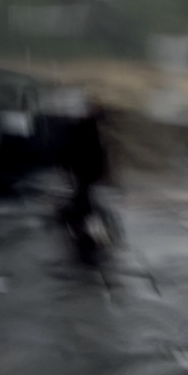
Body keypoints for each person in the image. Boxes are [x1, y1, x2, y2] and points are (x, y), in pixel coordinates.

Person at [57, 101, 112, 267]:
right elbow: (92, 150)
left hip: (84, 171)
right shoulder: (88, 127)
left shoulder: (86, 126)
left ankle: (75, 222)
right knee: (84, 200)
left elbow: (87, 150)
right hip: (85, 170)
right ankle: (78, 227)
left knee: (84, 198)